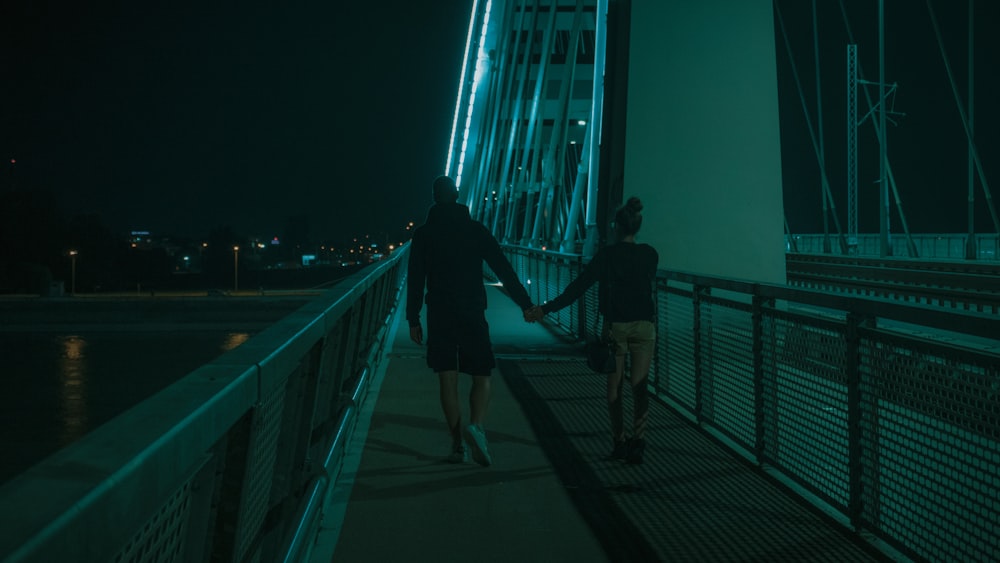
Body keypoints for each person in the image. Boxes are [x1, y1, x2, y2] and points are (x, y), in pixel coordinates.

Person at [407, 175, 535, 467]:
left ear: (434, 197)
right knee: (482, 373)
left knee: (447, 376)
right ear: (457, 194)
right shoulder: (475, 230)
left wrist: (412, 318)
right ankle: (476, 426)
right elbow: (503, 269)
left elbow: (415, 279)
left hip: (439, 312)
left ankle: (456, 446)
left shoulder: (424, 234)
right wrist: (526, 305)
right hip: (472, 310)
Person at [525, 197, 658, 464]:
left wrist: (545, 309)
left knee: (614, 389)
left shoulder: (606, 257)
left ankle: (619, 441)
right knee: (639, 386)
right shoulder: (650, 254)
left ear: (615, 228)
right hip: (645, 326)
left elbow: (578, 288)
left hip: (615, 328)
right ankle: (639, 441)